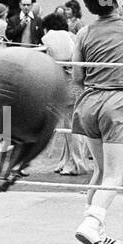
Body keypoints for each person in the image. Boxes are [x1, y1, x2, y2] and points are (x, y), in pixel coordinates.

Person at [71, 0, 123, 244]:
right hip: (116, 103)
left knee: (100, 172)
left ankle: (96, 231)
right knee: (114, 176)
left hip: (88, 103)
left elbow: (77, 76)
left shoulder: (84, 33)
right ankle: (91, 223)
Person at [40, 10, 88, 176]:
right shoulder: (71, 37)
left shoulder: (51, 37)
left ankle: (77, 163)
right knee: (71, 126)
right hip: (77, 85)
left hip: (68, 86)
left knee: (72, 128)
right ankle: (67, 161)